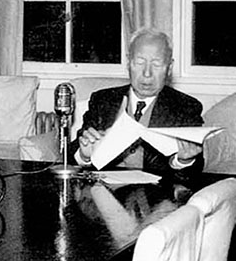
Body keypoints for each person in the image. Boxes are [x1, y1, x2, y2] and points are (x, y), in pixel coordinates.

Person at [71, 27, 205, 179]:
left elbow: (195, 171)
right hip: (104, 194)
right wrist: (85, 156)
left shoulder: (186, 106)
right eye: (140, 62)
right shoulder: (103, 100)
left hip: (157, 197)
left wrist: (182, 160)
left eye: (156, 64)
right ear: (129, 63)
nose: (147, 73)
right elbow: (72, 155)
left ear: (169, 68)